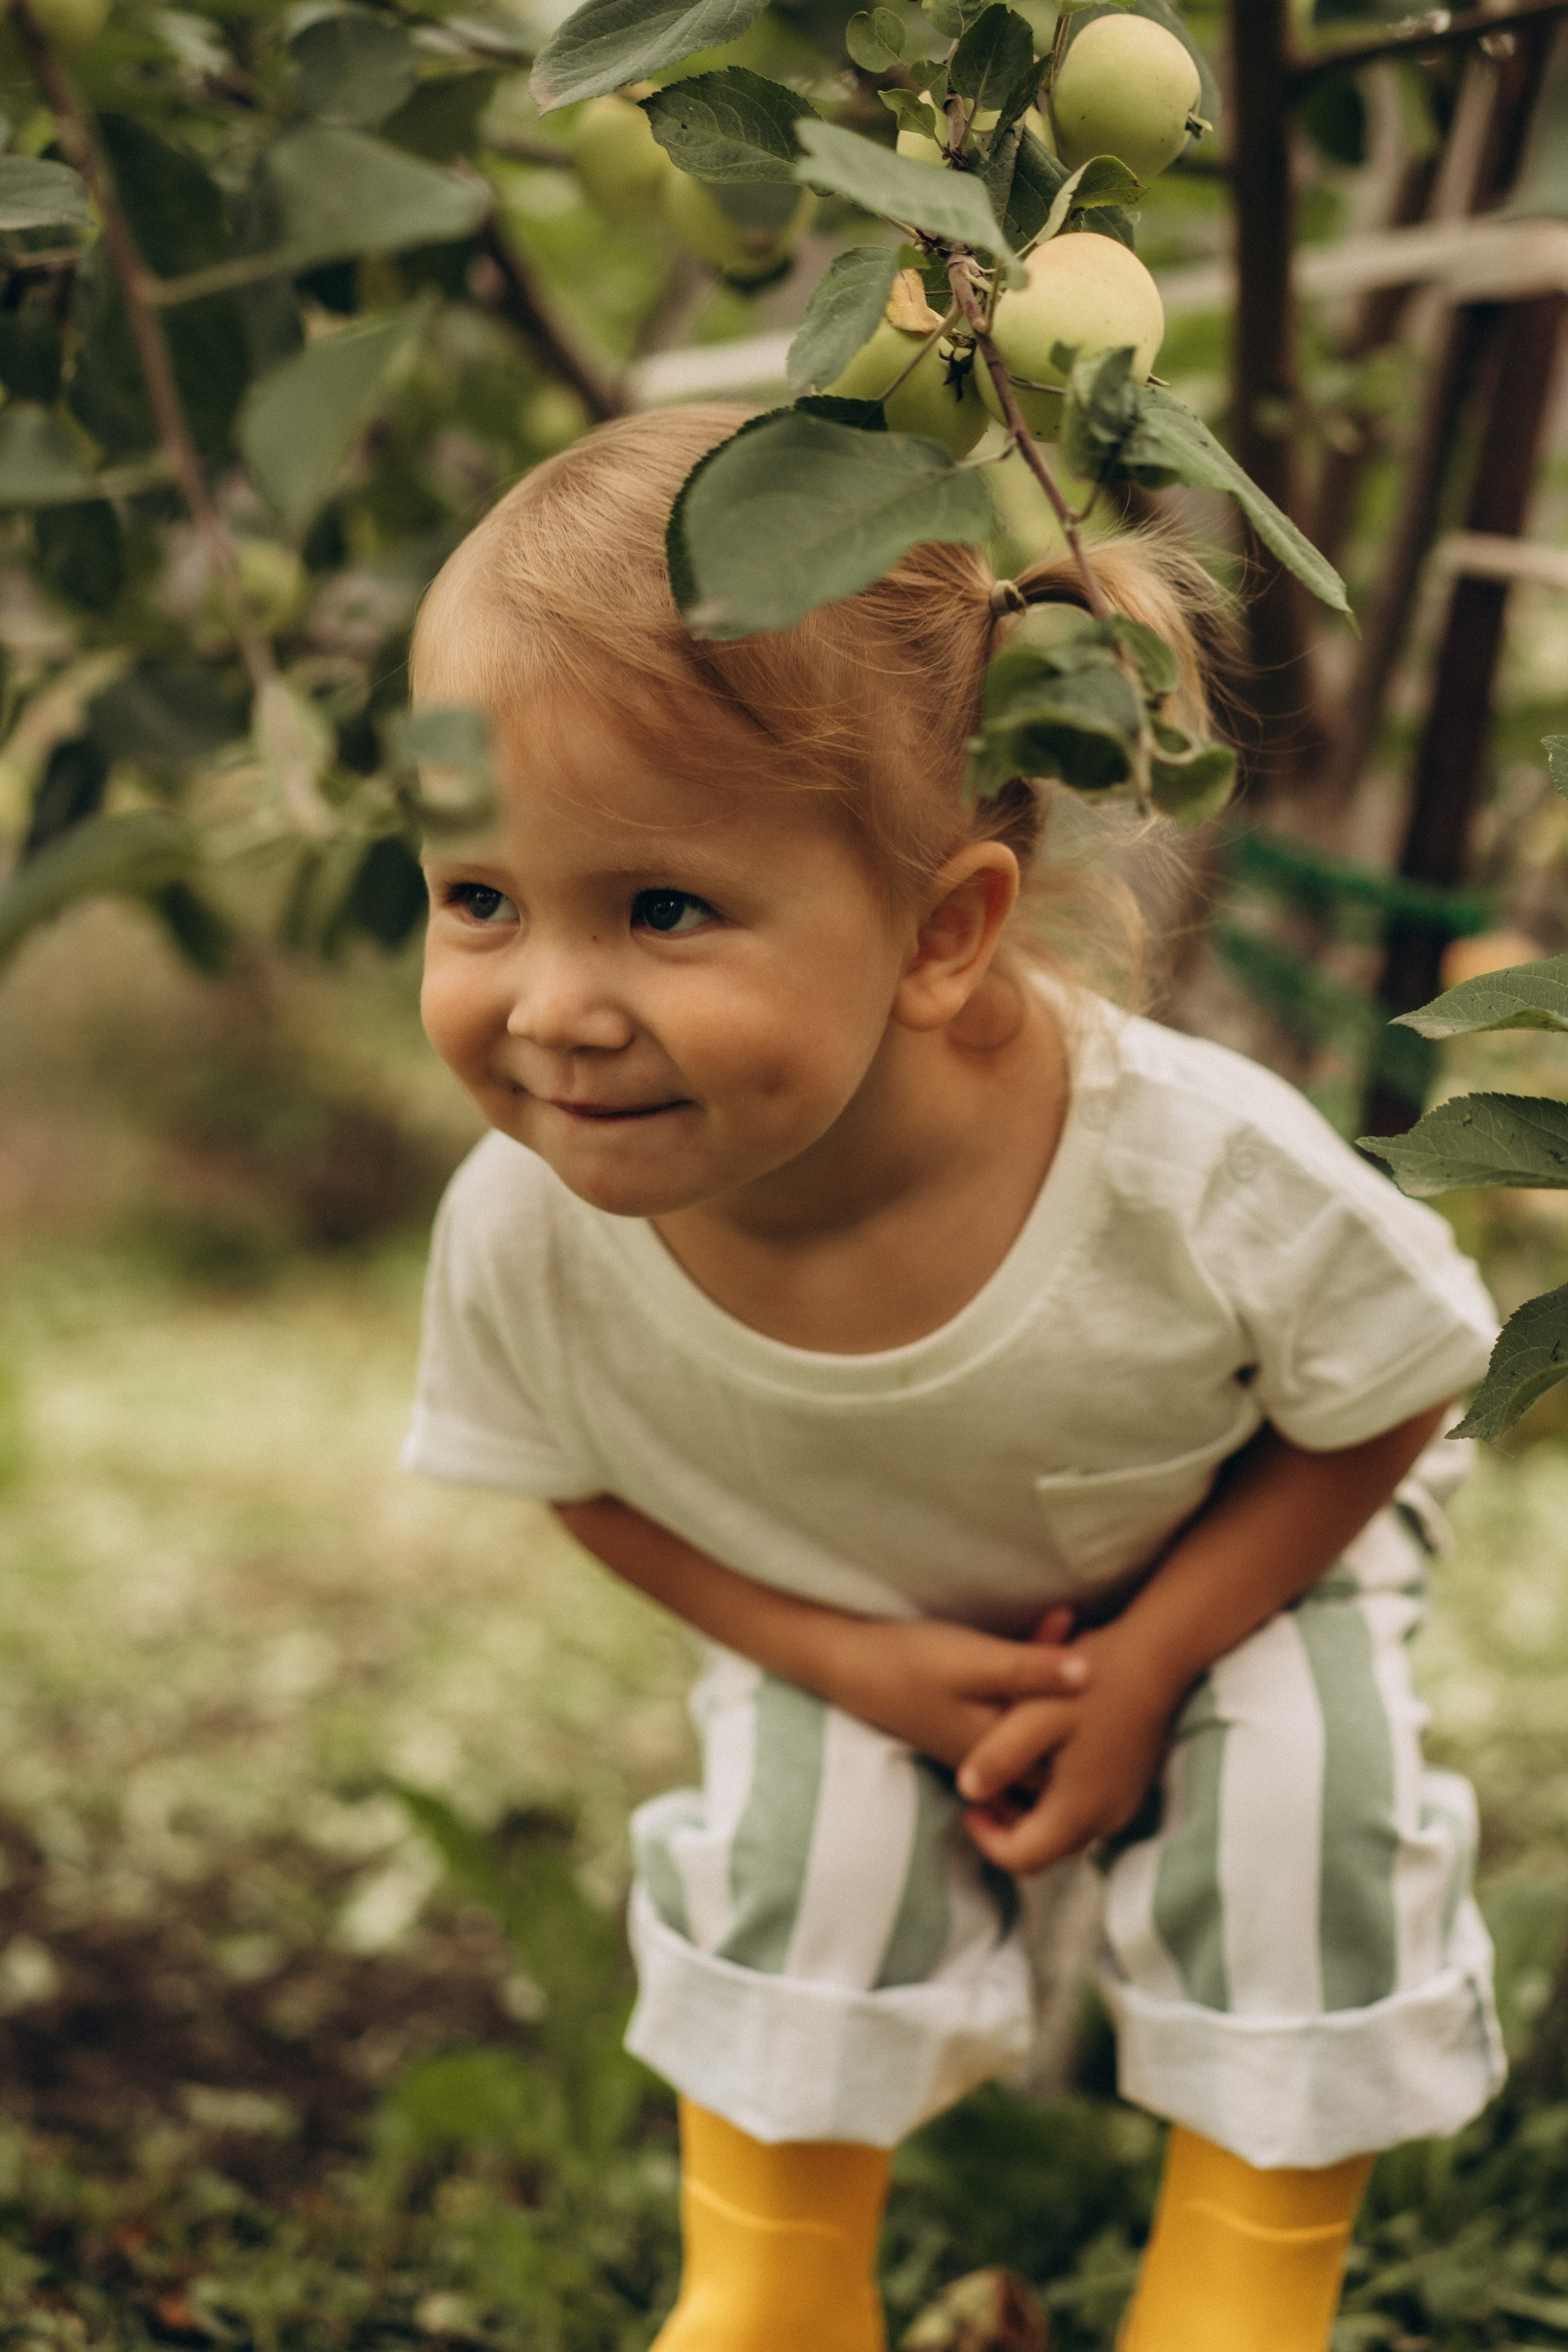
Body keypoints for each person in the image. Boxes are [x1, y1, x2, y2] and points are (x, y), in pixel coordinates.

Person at [399, 402, 1505, 2352]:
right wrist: (847, 1660)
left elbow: (1391, 1392)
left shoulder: (1183, 1167)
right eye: (477, 897)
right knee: (797, 1847)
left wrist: (1154, 1660)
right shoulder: (532, 1222)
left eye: (662, 909)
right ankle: (772, 2291)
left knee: (1298, 1810)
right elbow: (578, 1472)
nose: (551, 1005)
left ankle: (1239, 2299)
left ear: (943, 931)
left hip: (1241, 1554)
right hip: (858, 1605)